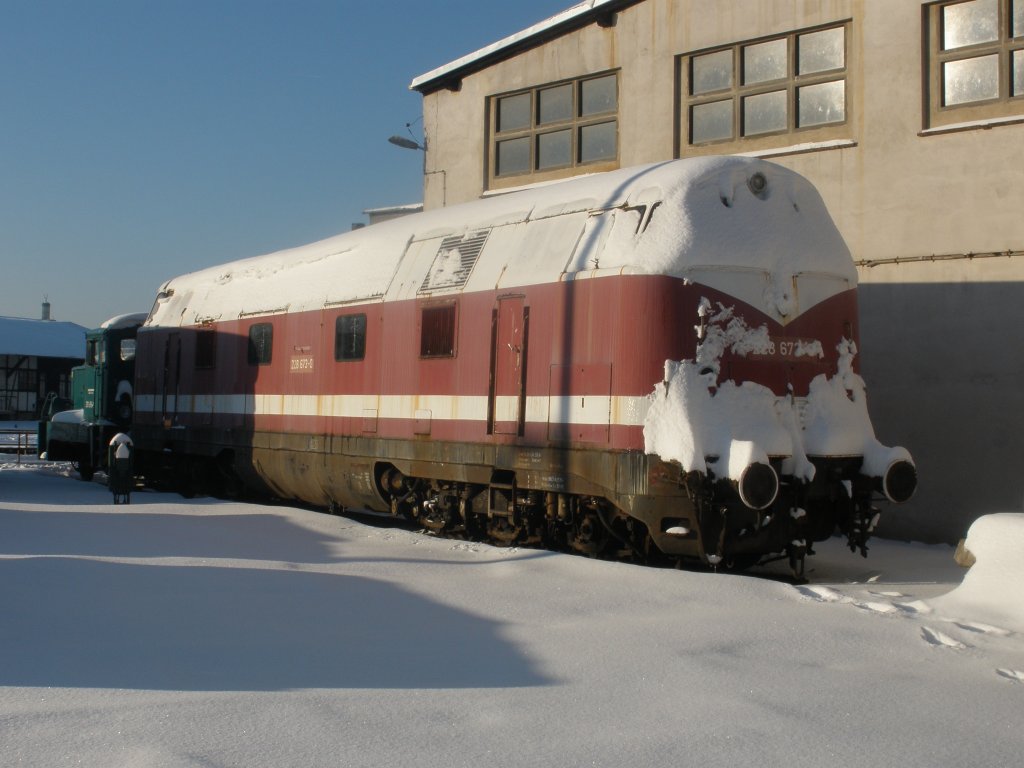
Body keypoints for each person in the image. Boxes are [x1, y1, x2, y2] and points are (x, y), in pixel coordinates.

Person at [108, 432, 134, 504]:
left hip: (116, 475)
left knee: (116, 488)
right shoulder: (128, 445)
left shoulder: (114, 445)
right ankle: (125, 498)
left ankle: (117, 498)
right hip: (126, 477)